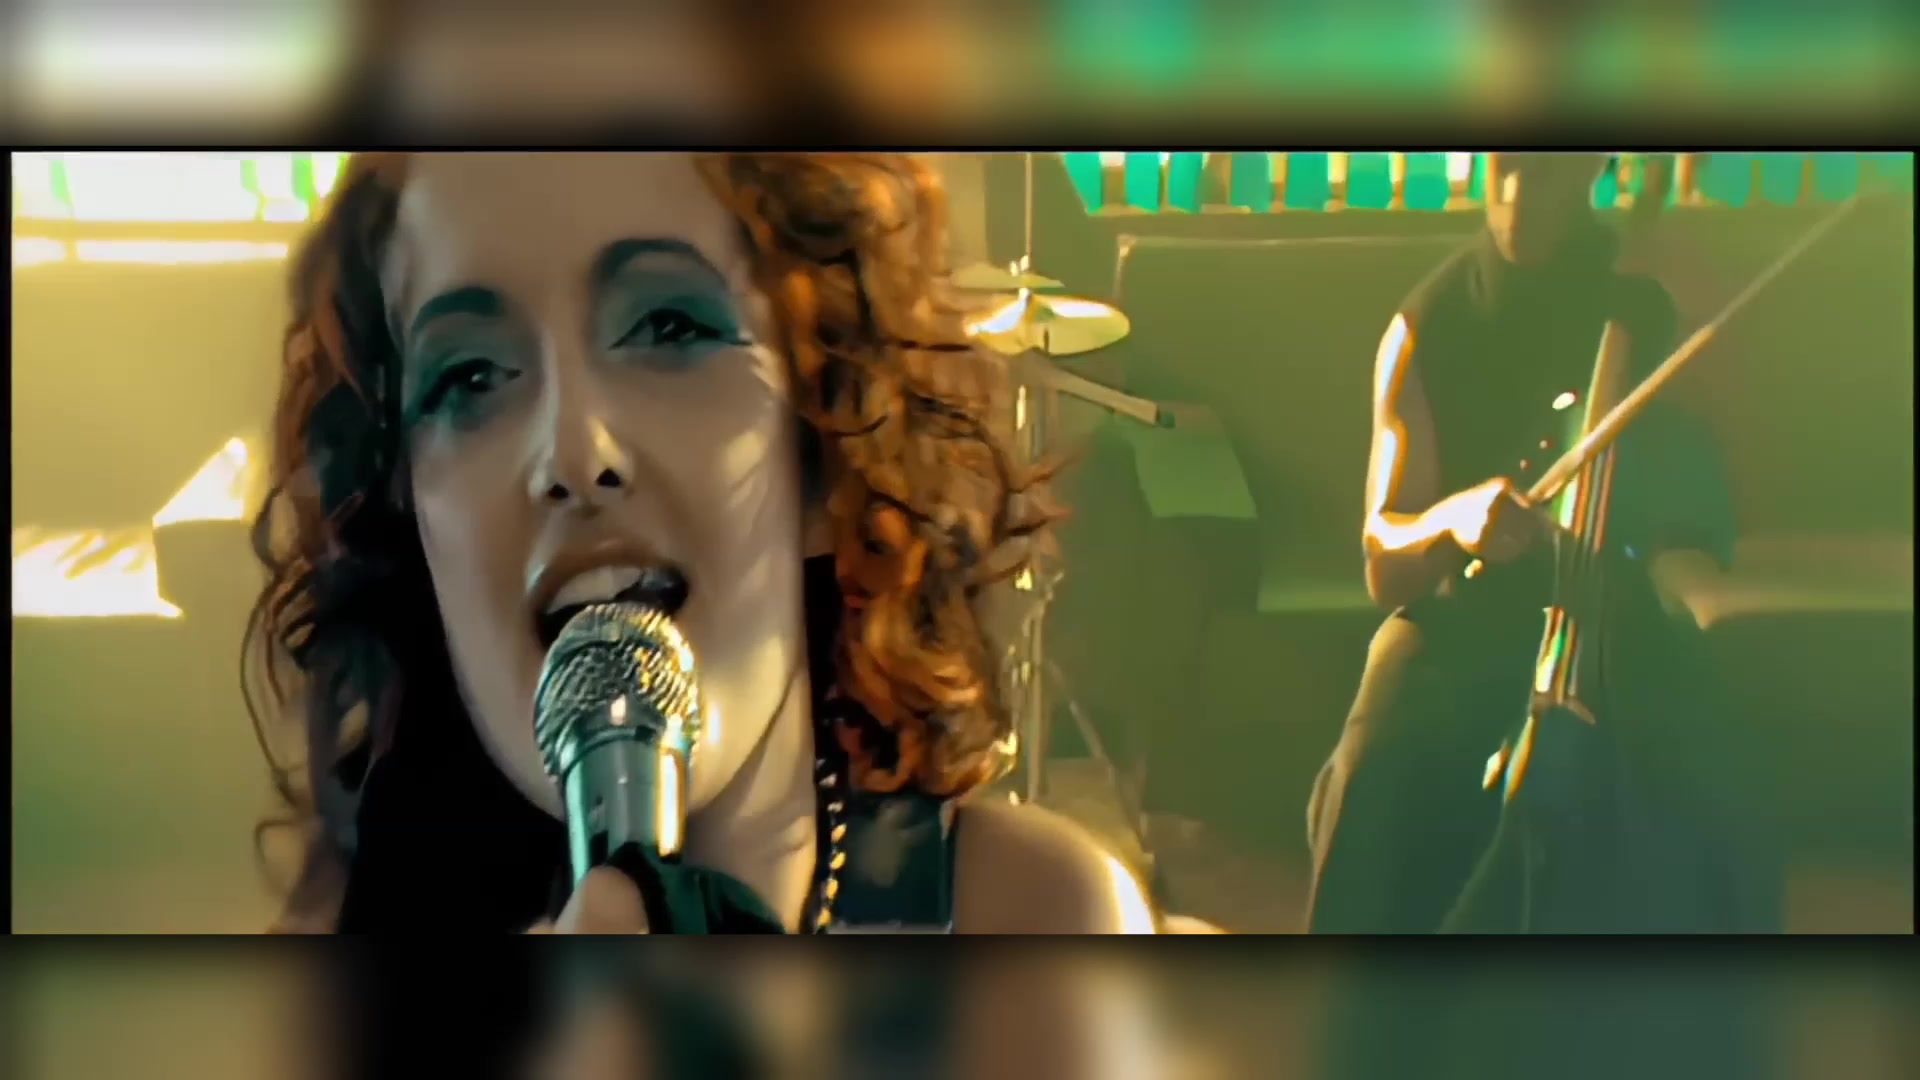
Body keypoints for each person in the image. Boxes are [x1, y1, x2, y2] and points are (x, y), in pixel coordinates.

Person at [245, 152, 1156, 935]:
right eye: (471, 375)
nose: (574, 455)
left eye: (669, 327)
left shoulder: (1038, 921)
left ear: (823, 445)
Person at [1303, 152, 1783, 935]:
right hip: (1464, 613)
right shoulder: (1426, 324)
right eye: (1507, 165)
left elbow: (1732, 493)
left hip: (1618, 603)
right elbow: (1384, 557)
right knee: (1369, 771)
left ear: (1594, 165)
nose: (1520, 194)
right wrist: (1453, 519)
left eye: (1550, 170)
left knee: (1716, 788)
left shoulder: (1652, 295)